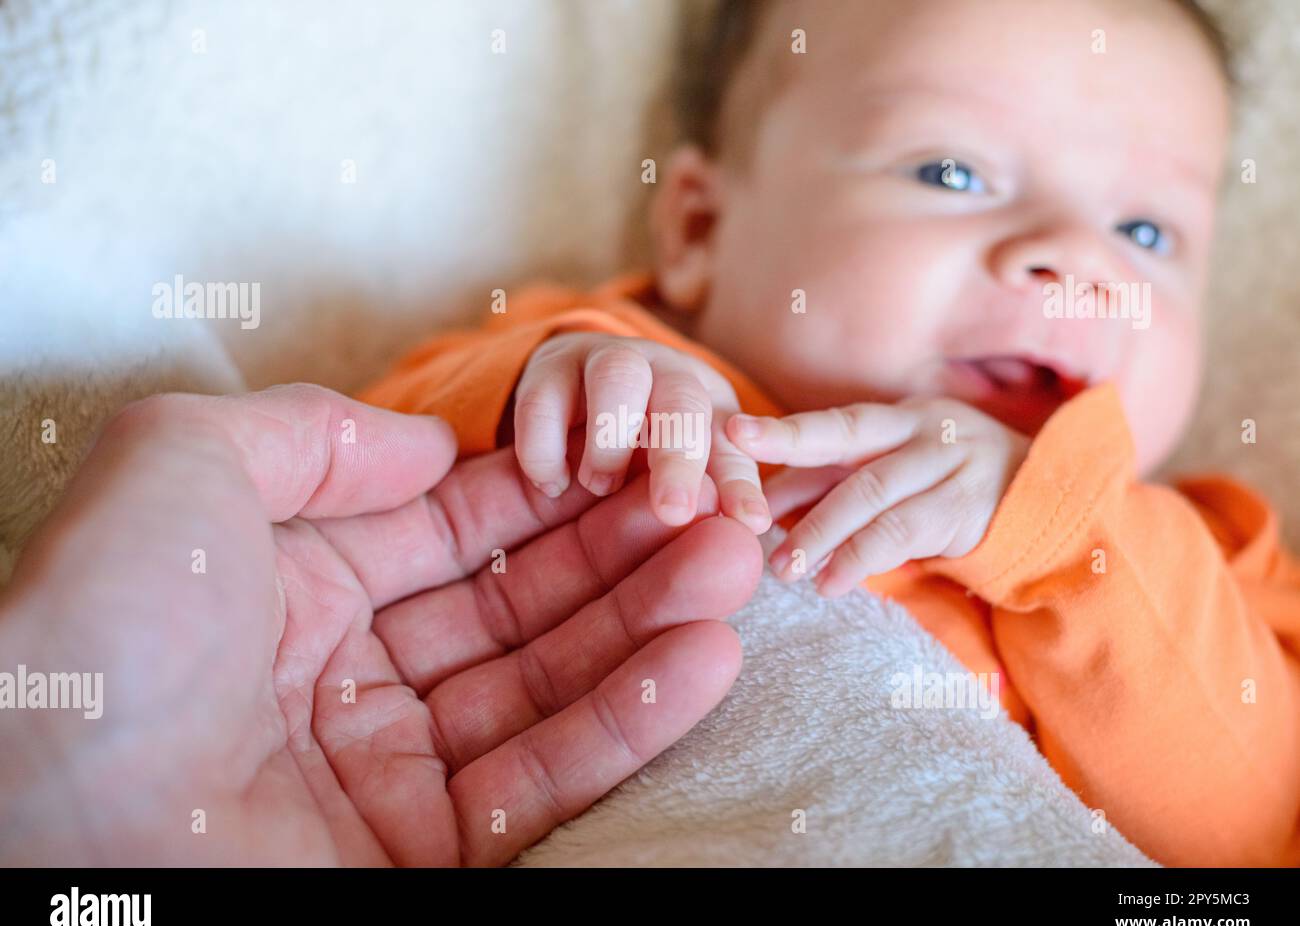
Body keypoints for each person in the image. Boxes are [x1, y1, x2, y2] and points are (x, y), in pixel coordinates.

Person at [357, 0, 1300, 865]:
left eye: (1144, 232)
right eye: (952, 172)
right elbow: (366, 506)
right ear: (697, 229)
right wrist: (554, 400)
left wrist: (1062, 525)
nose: (1075, 257)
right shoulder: (631, 384)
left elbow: (1245, 839)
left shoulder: (1190, 561)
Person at [0, 384, 760, 865]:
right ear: (696, 220)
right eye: (888, 174)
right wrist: (616, 375)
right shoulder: (629, 341)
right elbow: (454, 396)